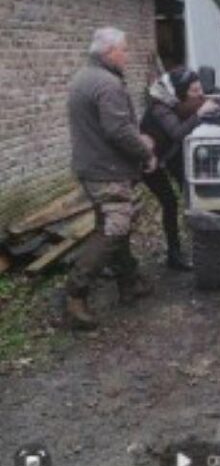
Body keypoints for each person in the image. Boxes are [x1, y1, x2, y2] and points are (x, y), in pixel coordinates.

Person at [64, 28, 157, 330]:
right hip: (108, 171)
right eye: (124, 51)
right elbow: (117, 130)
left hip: (92, 167)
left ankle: (129, 283)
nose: (127, 56)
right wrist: (144, 150)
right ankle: (75, 293)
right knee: (115, 228)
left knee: (113, 224)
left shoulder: (82, 78)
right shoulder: (107, 84)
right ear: (109, 52)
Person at [140, 68, 218, 271]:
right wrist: (200, 112)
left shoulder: (177, 102)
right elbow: (177, 133)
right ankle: (174, 255)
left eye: (200, 88)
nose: (200, 94)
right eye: (194, 91)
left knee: (192, 192)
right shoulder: (160, 108)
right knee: (169, 202)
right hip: (148, 161)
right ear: (181, 93)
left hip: (169, 153)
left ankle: (207, 238)